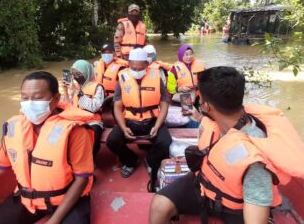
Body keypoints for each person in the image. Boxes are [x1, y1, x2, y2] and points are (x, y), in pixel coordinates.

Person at [149, 66, 304, 224]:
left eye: (200, 98)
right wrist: (199, 118)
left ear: (206, 106)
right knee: (159, 206)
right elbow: (210, 126)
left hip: (235, 206)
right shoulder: (217, 117)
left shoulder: (255, 159)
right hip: (203, 184)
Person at [0, 71, 95, 224]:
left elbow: (82, 179)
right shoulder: (15, 128)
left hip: (66, 199)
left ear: (56, 99)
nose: (30, 103)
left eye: (37, 97)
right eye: (25, 97)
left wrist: (53, 221)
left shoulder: (75, 131)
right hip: (27, 199)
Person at [106, 48, 172, 192]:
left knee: (165, 142)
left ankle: (150, 159)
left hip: (153, 119)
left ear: (147, 65)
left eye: (140, 68)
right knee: (112, 141)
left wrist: (158, 125)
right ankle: (131, 160)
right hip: (129, 120)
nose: (137, 70)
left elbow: (164, 103)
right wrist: (123, 128)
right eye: (133, 67)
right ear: (128, 63)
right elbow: (117, 107)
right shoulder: (122, 78)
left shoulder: (156, 77)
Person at [63, 60, 105, 158]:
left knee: (94, 140)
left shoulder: (97, 87)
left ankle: (90, 161)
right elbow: (67, 106)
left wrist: (78, 92)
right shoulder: (74, 86)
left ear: (87, 72)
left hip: (92, 120)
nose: (76, 76)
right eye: (73, 74)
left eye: (79, 73)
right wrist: (65, 90)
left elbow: (94, 107)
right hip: (75, 119)